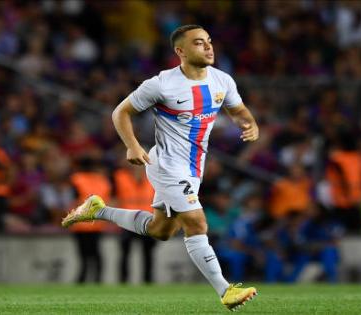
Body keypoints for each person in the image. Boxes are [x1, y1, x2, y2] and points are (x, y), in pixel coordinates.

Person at [62, 25, 258, 310]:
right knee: (196, 222)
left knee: (160, 230)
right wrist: (132, 145)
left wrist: (250, 124)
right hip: (166, 164)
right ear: (180, 51)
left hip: (193, 168)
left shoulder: (222, 81)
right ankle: (225, 290)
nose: (208, 47)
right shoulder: (162, 84)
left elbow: (239, 111)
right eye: (199, 43)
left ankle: (97, 210)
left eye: (209, 42)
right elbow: (121, 112)